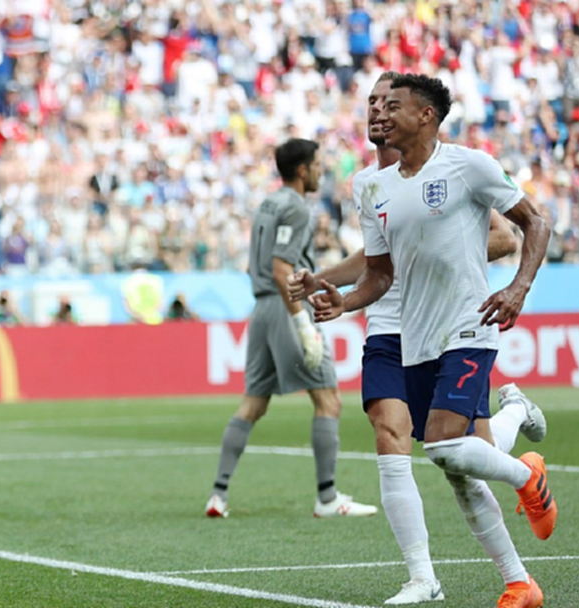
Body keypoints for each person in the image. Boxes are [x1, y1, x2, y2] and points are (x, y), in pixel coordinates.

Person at [288, 72, 548, 605]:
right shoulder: (371, 186)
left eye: (391, 103)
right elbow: (379, 272)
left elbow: (521, 227)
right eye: (374, 103)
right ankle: (513, 581)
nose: (378, 112)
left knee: (447, 447)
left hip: (467, 323)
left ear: (424, 114)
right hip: (406, 333)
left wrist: (516, 286)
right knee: (457, 461)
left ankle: (524, 478)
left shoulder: (466, 166)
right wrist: (341, 299)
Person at [204, 138, 377, 520]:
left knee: (253, 403)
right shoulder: (298, 207)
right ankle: (327, 497)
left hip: (262, 309)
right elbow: (282, 268)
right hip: (286, 306)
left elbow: (262, 264)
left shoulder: (268, 204)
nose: (320, 171)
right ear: (302, 170)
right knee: (328, 400)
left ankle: (218, 494)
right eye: (316, 165)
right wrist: (302, 323)